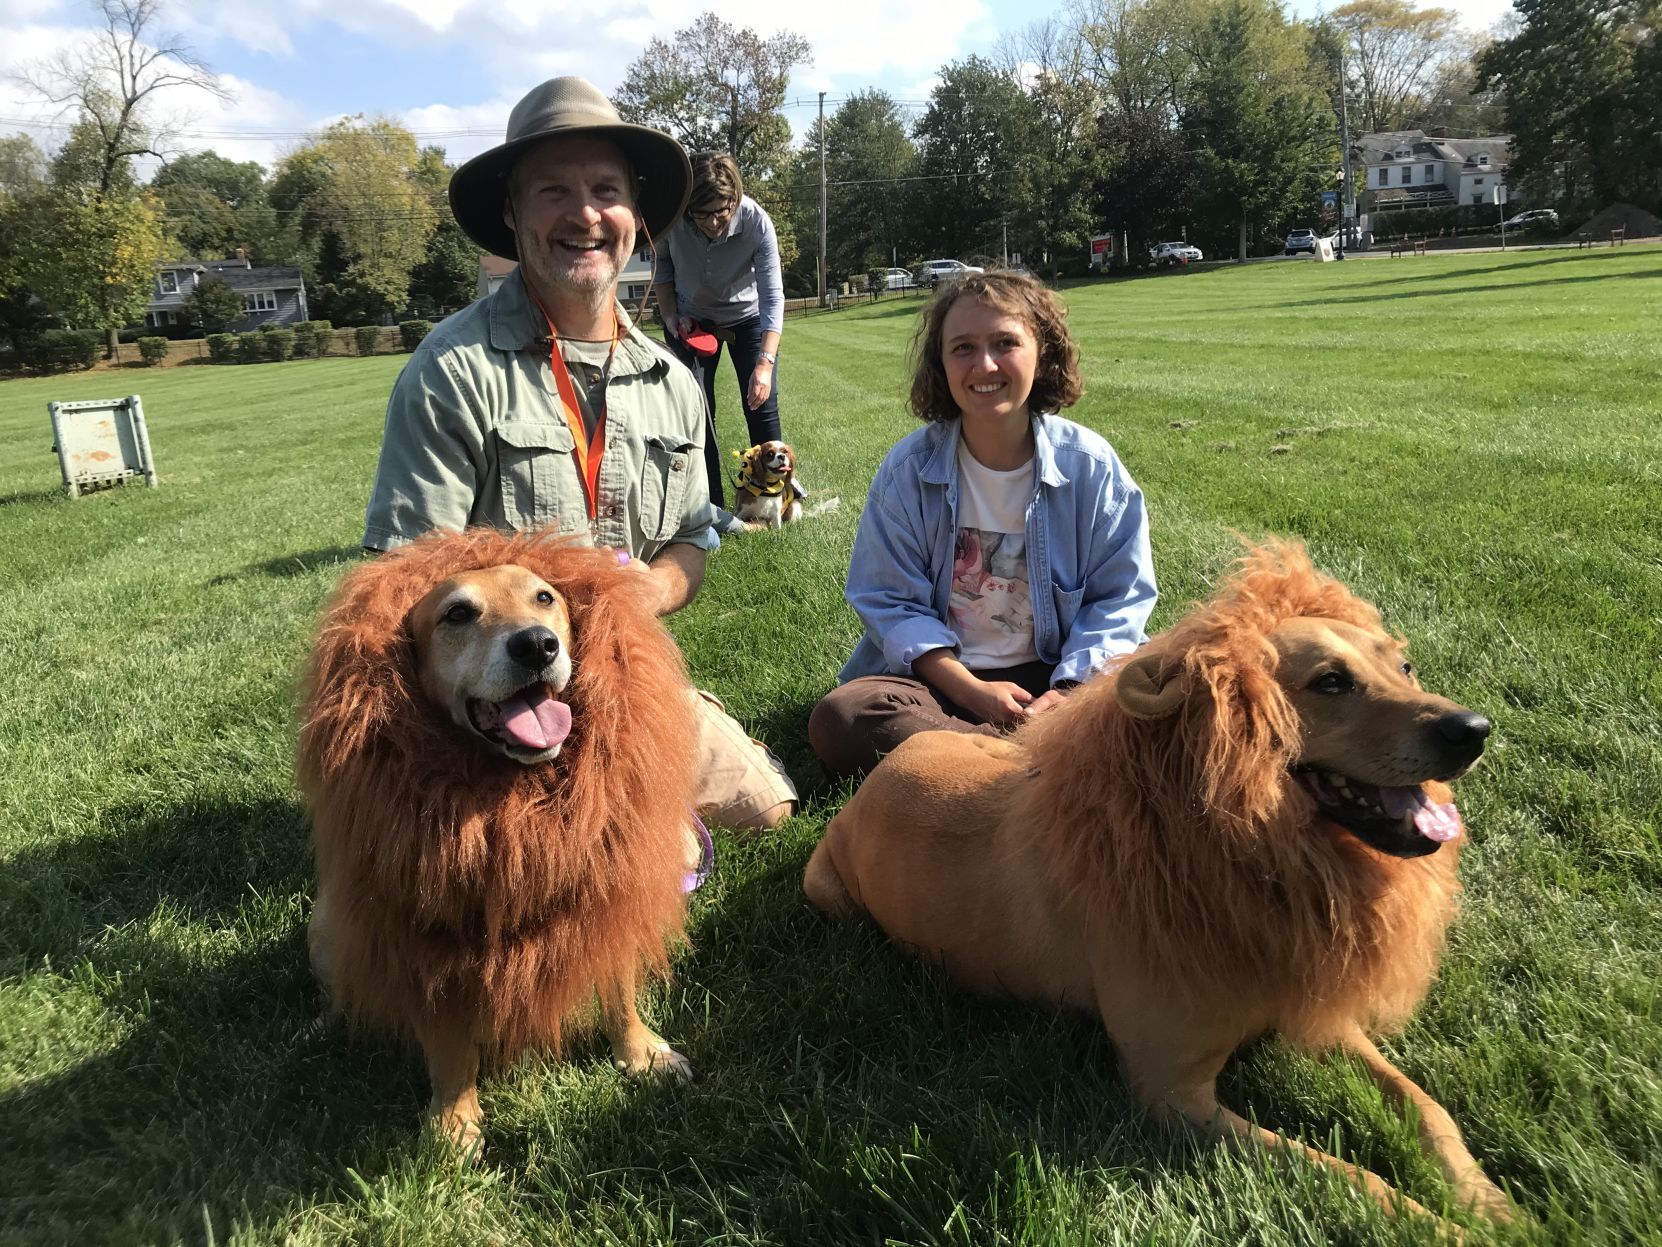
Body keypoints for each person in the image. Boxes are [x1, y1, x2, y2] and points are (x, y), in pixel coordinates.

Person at [362, 76, 795, 831]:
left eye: (605, 189)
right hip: (490, 704)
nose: (586, 214)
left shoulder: (673, 383)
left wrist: (650, 593)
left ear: (634, 215)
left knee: (767, 807)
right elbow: (404, 584)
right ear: (512, 212)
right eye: (553, 191)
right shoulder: (451, 371)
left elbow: (693, 540)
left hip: (625, 684)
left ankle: (679, 724)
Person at [808, 270, 1157, 782]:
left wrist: (1065, 696)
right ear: (941, 364)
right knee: (844, 719)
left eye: (1005, 343)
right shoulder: (909, 471)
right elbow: (888, 601)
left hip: (1061, 678)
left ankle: (979, 770)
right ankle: (1039, 767)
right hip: (940, 688)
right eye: (964, 348)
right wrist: (970, 690)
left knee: (1169, 700)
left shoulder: (1092, 468)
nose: (985, 364)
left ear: (1042, 354)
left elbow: (1119, 600)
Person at [651, 152, 788, 512]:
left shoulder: (756, 222)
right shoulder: (672, 222)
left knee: (761, 404)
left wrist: (765, 365)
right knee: (696, 411)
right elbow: (662, 269)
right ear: (687, 208)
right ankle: (709, 506)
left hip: (747, 318)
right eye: (702, 214)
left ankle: (773, 501)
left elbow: (773, 297)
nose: (714, 222)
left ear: (735, 198)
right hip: (690, 321)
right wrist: (671, 319)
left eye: (722, 210)